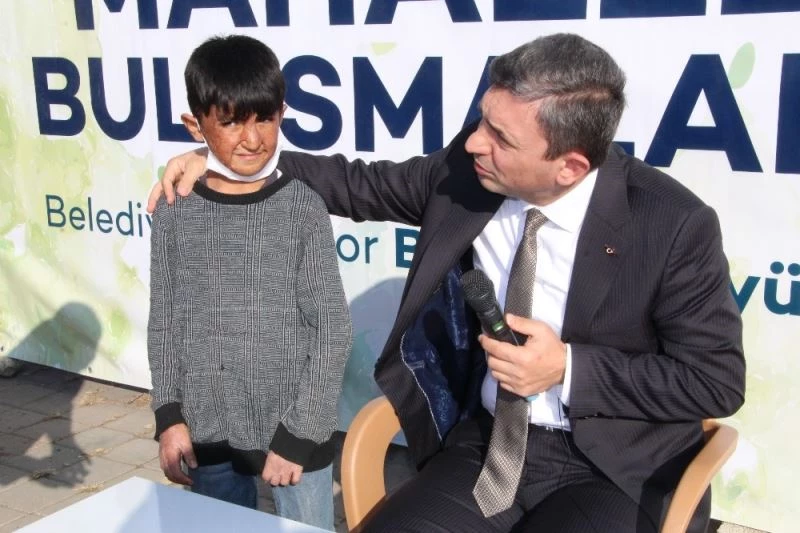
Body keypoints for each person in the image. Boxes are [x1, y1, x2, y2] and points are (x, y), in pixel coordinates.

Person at [149, 33, 745, 532]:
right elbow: (360, 185)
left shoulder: (672, 226)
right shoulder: (468, 172)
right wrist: (223, 163)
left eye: (501, 138)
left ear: (569, 167)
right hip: (485, 447)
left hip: (611, 470)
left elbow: (716, 380)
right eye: (483, 120)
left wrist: (567, 367)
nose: (475, 143)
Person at [147, 34, 352, 532]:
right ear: (195, 126)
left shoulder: (302, 208)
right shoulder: (175, 212)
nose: (252, 138)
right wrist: (169, 416)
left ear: (282, 113)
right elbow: (165, 320)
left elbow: (332, 328)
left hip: (295, 437)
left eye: (264, 119)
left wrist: (301, 433)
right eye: (231, 121)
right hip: (207, 430)